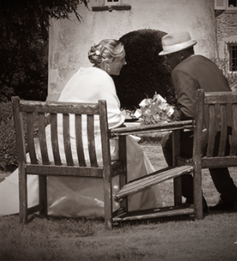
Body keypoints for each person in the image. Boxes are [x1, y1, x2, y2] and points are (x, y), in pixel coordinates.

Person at [0, 39, 163, 217]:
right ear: (108, 62)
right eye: (121, 59)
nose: (125, 63)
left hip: (56, 150)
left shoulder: (78, 75)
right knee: (134, 152)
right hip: (90, 154)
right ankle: (133, 206)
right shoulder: (104, 79)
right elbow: (114, 121)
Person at [159, 32, 237, 212]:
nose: (166, 61)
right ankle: (230, 197)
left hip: (221, 138)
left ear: (181, 54)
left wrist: (169, 113)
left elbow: (188, 111)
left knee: (169, 143)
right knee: (207, 141)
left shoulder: (180, 70)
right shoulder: (207, 62)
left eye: (168, 56)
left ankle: (194, 200)